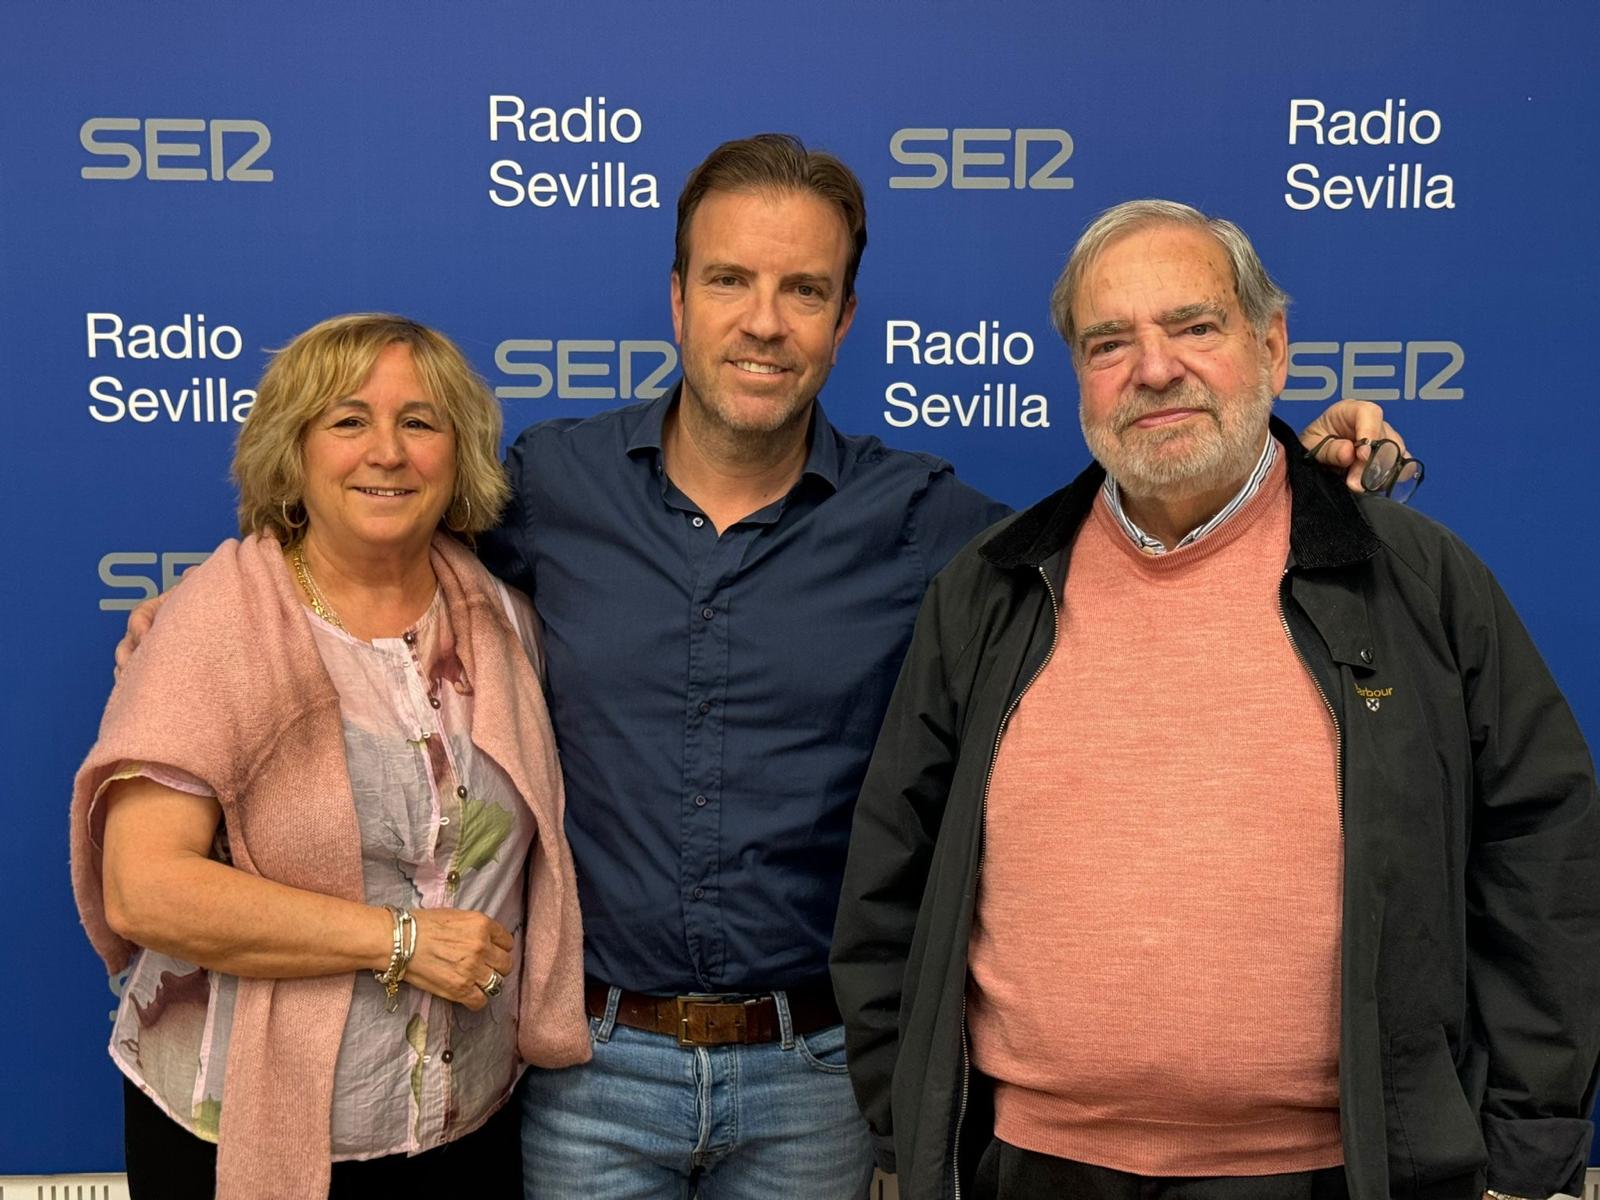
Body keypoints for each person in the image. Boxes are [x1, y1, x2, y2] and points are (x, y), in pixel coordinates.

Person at [115, 139, 1402, 1199]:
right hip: (585, 1072)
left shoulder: (928, 524)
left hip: (816, 1080)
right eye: (731, 282)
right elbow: (365, 535)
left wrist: (1297, 467)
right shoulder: (546, 491)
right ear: (676, 299)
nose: (763, 324)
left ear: (844, 320)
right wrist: (208, 612)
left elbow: (1144, 512)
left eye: (803, 292)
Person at [829, 199, 1600, 1200]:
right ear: (1077, 377)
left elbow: (1541, 854)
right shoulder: (991, 588)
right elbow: (892, 869)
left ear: (1271, 345)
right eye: (1109, 342)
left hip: (1336, 1171)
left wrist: (1526, 1149)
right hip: (1029, 1168)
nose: (1153, 370)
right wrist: (906, 1122)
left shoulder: (1412, 581)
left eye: (1194, 326)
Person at [73, 314, 589, 1200]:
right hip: (239, 1134)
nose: (386, 451)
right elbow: (143, 887)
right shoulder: (216, 621)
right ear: (294, 452)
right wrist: (398, 941)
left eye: (419, 423)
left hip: (461, 1124)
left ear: (458, 457)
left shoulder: (505, 622)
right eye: (348, 421)